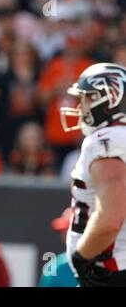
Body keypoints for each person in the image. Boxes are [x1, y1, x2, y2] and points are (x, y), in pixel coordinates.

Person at [60, 62, 126, 286]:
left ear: (111, 98)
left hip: (109, 271)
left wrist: (81, 258)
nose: (81, 105)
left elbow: (110, 220)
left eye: (88, 97)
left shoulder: (107, 142)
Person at [38, 207, 78, 287]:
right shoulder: (56, 267)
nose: (65, 235)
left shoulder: (106, 262)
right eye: (64, 231)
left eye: (71, 230)